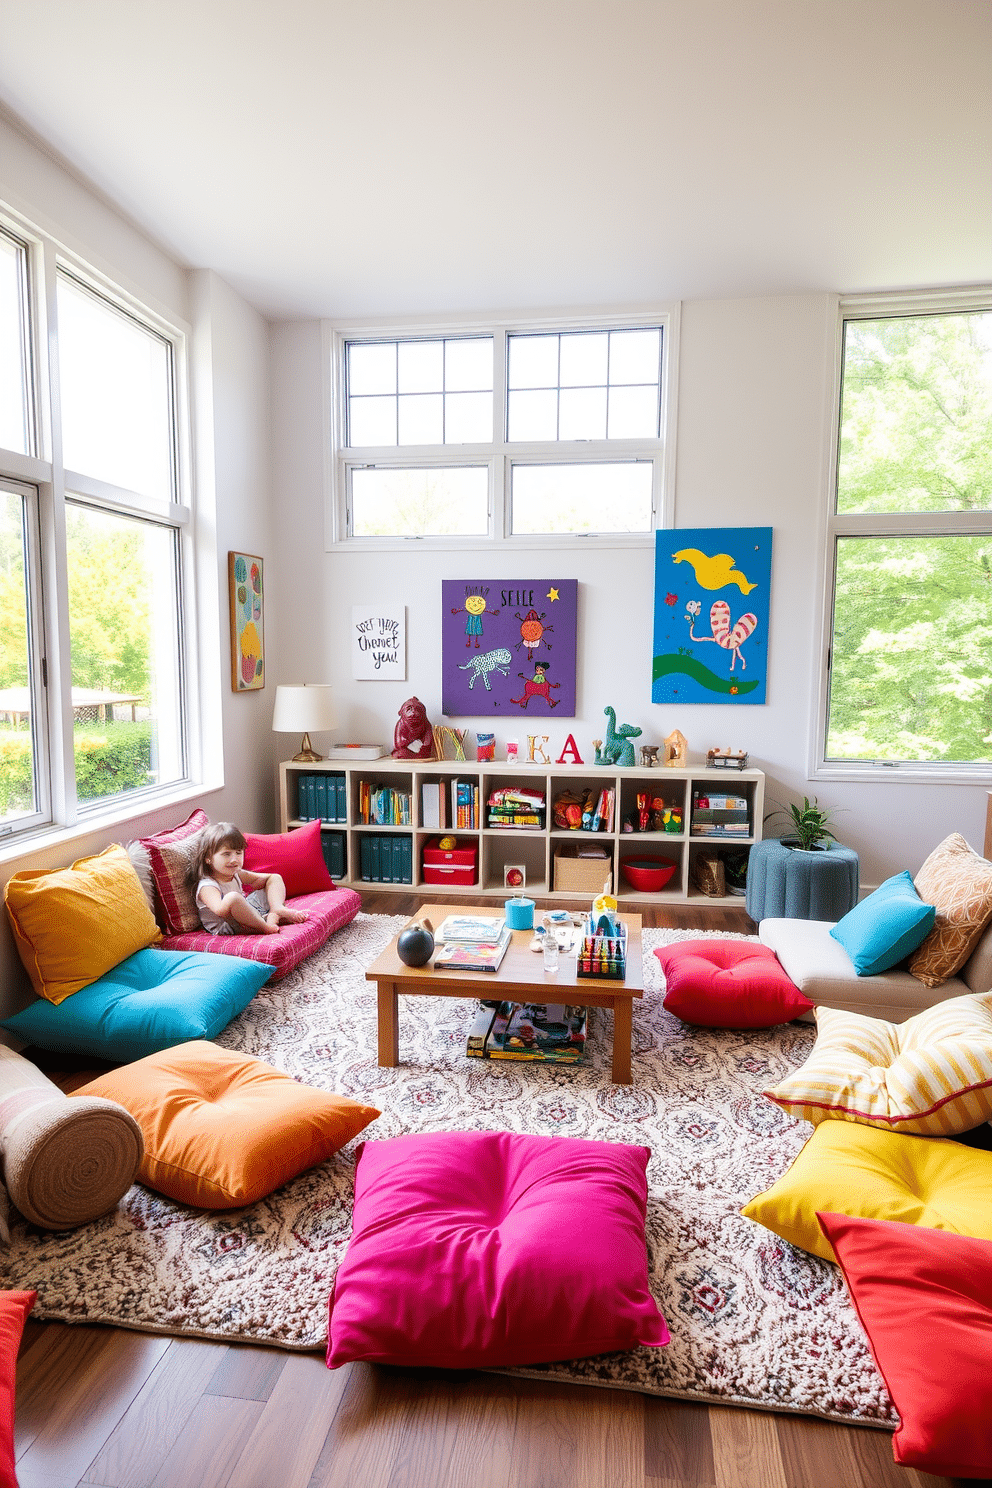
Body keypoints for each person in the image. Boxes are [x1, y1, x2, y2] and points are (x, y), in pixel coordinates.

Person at [190, 822, 308, 936]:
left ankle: (277, 909)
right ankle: (264, 926)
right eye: (226, 854)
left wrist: (264, 886)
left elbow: (267, 879)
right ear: (208, 858)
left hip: (246, 912)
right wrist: (234, 899)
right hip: (227, 925)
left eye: (238, 852)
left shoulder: (236, 873)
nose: (234, 859)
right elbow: (220, 911)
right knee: (233, 897)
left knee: (274, 878)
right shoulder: (207, 886)